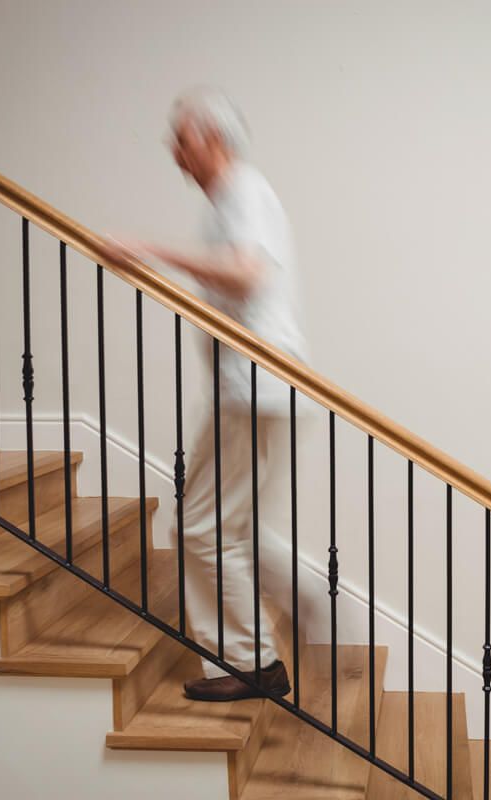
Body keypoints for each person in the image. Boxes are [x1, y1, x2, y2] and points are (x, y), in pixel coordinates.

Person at [105, 87, 305, 702]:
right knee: (225, 524)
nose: (173, 150)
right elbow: (236, 290)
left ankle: (252, 664)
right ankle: (281, 632)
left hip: (252, 385)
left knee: (202, 525)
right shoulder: (231, 198)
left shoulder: (242, 190)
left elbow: (248, 272)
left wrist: (149, 248)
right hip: (257, 384)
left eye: (181, 138)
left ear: (212, 139)